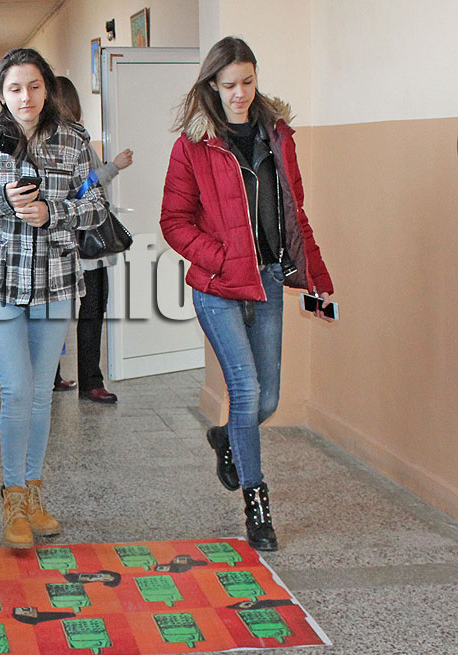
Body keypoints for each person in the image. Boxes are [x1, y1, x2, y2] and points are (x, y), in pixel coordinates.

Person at [160, 37, 335, 551]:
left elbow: (295, 214)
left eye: (248, 82)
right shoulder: (193, 145)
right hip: (218, 287)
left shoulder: (277, 135)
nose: (240, 93)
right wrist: (220, 258)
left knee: (268, 397)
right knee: (246, 390)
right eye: (229, 84)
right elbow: (173, 222)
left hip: (268, 281)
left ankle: (225, 437)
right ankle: (257, 507)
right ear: (212, 86)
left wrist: (318, 279)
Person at [0, 49, 107, 548]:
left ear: (47, 89)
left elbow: (97, 205)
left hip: (56, 283)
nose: (26, 97)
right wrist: (1, 201)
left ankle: (34, 494)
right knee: (17, 390)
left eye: (34, 86)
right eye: (15, 88)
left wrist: (52, 212)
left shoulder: (74, 140)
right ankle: (13, 496)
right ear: (2, 94)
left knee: (41, 393)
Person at [50, 75, 133, 404]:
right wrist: (115, 166)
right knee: (92, 311)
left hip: (61, 241)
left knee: (57, 313)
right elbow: (84, 185)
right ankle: (90, 382)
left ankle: (52, 376)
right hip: (84, 244)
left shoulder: (47, 139)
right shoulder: (75, 139)